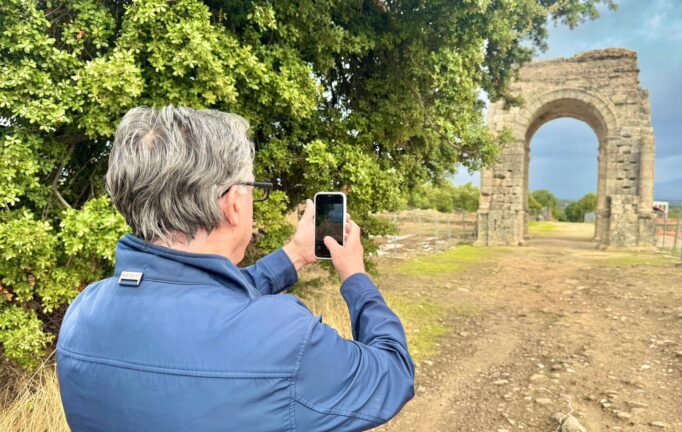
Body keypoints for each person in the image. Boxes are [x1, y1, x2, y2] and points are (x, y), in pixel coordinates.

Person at [56, 106, 415, 431]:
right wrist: (355, 275)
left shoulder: (83, 313)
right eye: (253, 188)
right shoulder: (286, 339)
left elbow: (201, 300)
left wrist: (295, 254)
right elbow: (393, 374)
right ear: (232, 205)